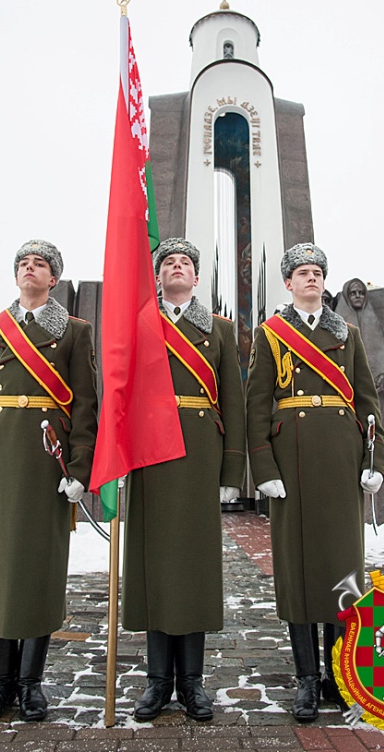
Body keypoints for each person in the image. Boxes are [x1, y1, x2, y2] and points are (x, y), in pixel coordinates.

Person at [0, 240, 98, 725]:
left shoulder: (76, 332)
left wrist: (79, 469)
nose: (29, 269)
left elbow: (83, 406)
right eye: (22, 263)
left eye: (39, 264)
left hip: (45, 459)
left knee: (39, 566)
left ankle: (32, 684)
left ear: (53, 278)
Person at [246, 243, 384, 722]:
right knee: (299, 571)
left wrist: (374, 458)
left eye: (317, 273)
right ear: (287, 283)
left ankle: (340, 675)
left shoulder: (347, 334)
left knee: (342, 569)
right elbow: (257, 404)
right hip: (293, 461)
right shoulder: (271, 334)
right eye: (302, 273)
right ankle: (308, 678)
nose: (311, 278)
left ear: (325, 282)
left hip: (341, 459)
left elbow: (367, 400)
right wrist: (264, 469)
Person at [122, 237, 246, 722]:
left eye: (186, 263)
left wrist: (232, 470)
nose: (177, 267)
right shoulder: (140, 324)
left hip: (198, 452)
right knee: (154, 564)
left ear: (197, 277)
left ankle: (192, 683)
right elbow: (121, 389)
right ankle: (157, 683)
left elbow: (232, 401)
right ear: (159, 275)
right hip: (150, 452)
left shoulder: (220, 330)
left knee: (193, 567)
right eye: (169, 262)